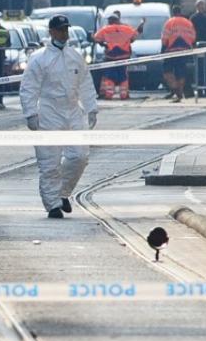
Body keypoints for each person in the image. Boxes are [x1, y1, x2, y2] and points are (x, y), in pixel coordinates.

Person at [20, 15, 98, 219]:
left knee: (79, 156)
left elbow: (85, 83)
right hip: (48, 114)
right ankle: (53, 205)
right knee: (49, 163)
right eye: (61, 30)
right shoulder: (39, 59)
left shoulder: (75, 56)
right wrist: (30, 113)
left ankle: (63, 193)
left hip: (73, 112)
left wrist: (91, 108)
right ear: (51, 32)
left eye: (66, 30)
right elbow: (29, 87)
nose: (64, 34)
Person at [92, 11, 141, 101]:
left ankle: (109, 94)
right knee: (123, 75)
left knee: (110, 75)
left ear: (110, 20)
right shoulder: (126, 28)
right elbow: (134, 36)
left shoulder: (105, 29)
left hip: (111, 57)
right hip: (124, 57)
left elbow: (96, 38)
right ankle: (124, 94)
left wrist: (103, 44)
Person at [160, 4, 198, 102]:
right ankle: (180, 93)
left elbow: (165, 37)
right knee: (181, 72)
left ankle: (176, 90)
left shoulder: (169, 22)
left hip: (171, 51)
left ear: (173, 12)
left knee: (167, 72)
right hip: (184, 51)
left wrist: (163, 49)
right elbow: (193, 36)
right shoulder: (188, 23)